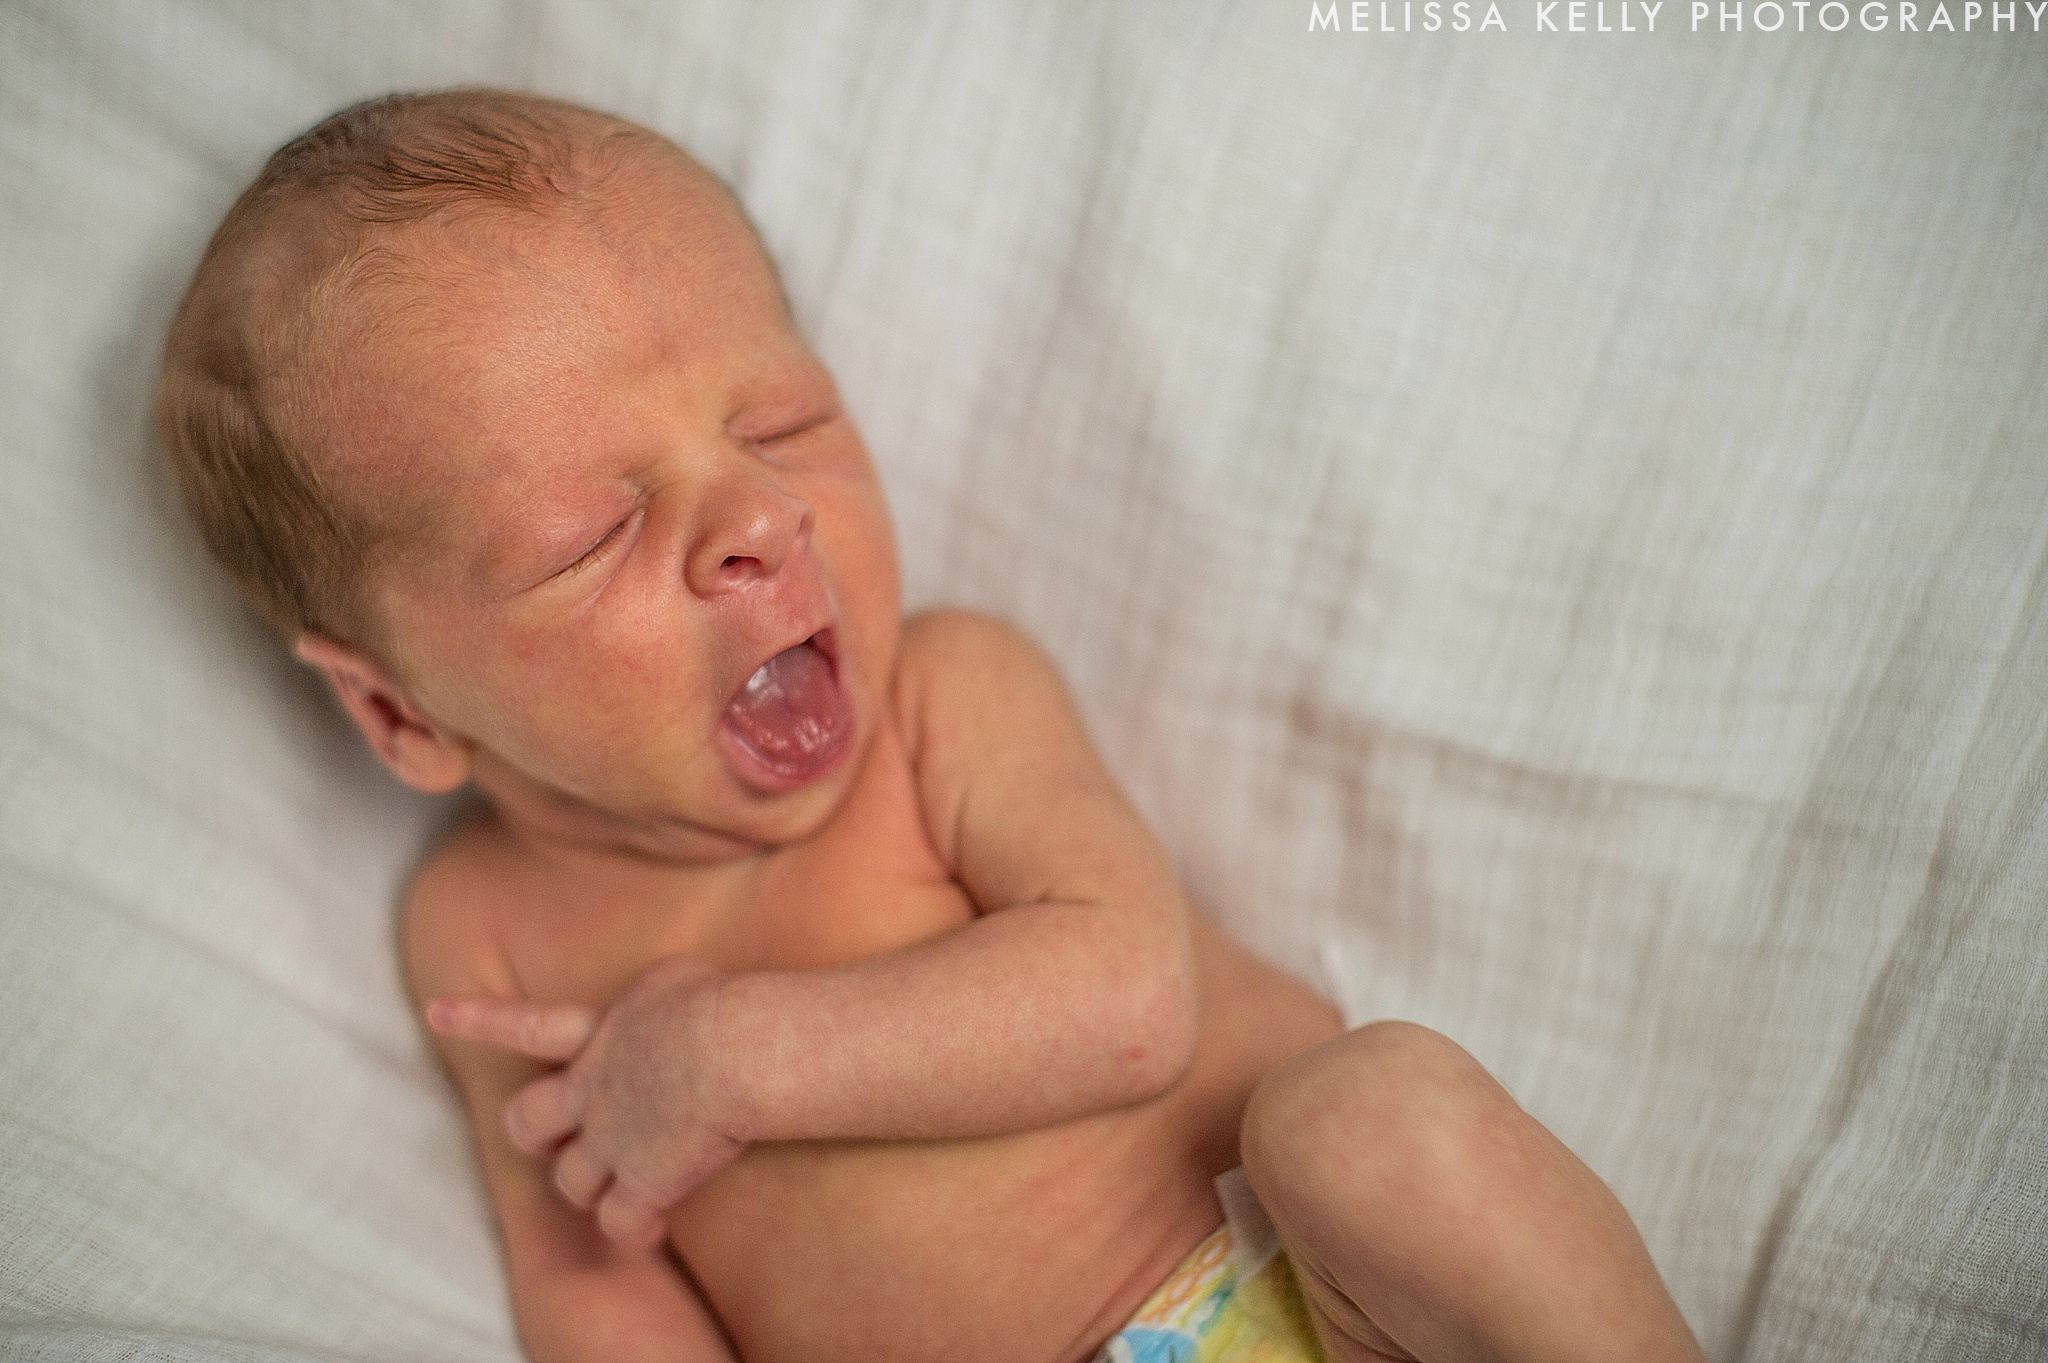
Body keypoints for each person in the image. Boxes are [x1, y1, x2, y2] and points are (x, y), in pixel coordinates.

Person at [156, 88, 1705, 1363]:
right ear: (397, 711)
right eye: (591, 536)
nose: (761, 514)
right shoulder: (478, 933)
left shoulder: (944, 703)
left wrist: (733, 1060)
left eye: (780, 426)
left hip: (1324, 1300)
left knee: (1377, 1117)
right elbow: (591, 1279)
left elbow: (1121, 1001)